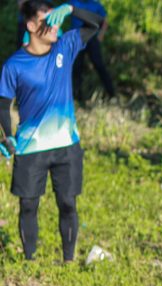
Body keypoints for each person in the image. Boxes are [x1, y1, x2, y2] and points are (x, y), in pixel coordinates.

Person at [0, 1, 102, 262]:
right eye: (49, 21)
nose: (55, 26)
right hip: (30, 148)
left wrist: (70, 9)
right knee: (28, 205)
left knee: (68, 203)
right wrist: (7, 135)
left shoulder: (65, 46)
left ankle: (68, 261)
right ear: (32, 26)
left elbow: (95, 23)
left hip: (66, 145)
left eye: (56, 20)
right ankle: (30, 261)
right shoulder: (14, 65)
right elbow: (3, 105)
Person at [68, 0, 113, 98]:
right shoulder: (74, 2)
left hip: (91, 39)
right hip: (77, 38)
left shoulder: (96, 4)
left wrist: (101, 35)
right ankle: (77, 95)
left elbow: (104, 21)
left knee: (99, 65)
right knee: (77, 66)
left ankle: (111, 93)